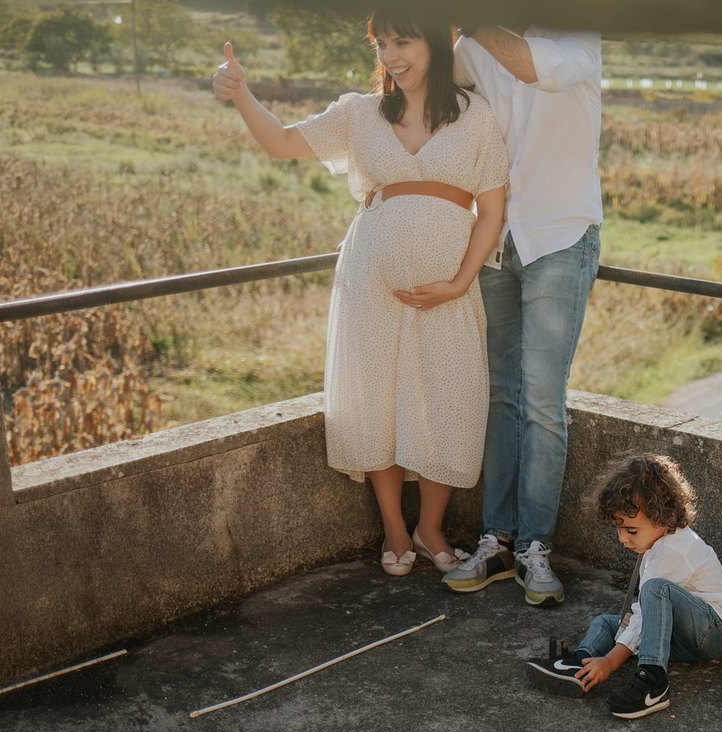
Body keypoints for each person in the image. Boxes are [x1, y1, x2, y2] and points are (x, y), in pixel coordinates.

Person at [212, 13, 508, 577]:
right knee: (378, 397)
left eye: (404, 41)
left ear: (438, 43)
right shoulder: (360, 113)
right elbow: (279, 143)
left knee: (449, 396)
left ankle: (429, 528)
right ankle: (396, 528)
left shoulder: (477, 118)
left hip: (449, 290)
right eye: (382, 43)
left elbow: (491, 211)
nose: (392, 54)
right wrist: (242, 92)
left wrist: (459, 282)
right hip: (371, 282)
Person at [441, 26, 603, 607]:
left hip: (561, 235)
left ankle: (536, 547)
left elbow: (540, 68)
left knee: (540, 397)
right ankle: (497, 541)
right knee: (501, 393)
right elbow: (426, 94)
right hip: (498, 239)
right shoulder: (469, 50)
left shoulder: (579, 36)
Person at [525, 454, 722, 719]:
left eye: (631, 530)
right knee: (607, 623)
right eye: (618, 529)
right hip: (683, 634)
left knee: (654, 591)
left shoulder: (673, 550)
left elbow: (645, 614)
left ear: (663, 517)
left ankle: (652, 682)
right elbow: (645, 618)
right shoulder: (656, 541)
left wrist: (612, 661)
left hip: (714, 630)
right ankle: (579, 665)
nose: (622, 538)